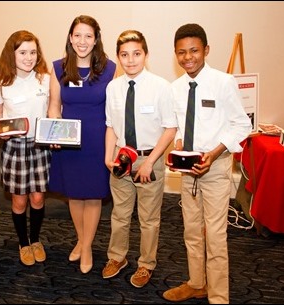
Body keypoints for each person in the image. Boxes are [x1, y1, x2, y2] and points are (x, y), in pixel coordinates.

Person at [162, 23, 252, 304]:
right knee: (191, 231)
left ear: (206, 50)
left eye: (194, 50)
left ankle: (219, 296)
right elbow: (177, 125)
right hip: (188, 170)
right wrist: (178, 143)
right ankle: (197, 283)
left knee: (215, 235)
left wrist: (213, 154)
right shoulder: (175, 88)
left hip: (215, 167)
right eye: (181, 52)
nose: (188, 57)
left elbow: (242, 125)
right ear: (175, 54)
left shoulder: (223, 82)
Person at [103, 30, 177, 288]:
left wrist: (149, 162)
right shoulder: (113, 87)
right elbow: (111, 126)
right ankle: (117, 257)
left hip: (150, 160)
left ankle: (146, 264)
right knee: (120, 215)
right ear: (118, 57)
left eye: (136, 54)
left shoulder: (161, 86)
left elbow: (170, 128)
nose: (130, 60)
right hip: (120, 158)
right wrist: (107, 156)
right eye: (124, 55)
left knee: (148, 218)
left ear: (146, 54)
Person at [47, 15, 116, 274]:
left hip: (98, 139)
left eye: (88, 36)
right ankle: (82, 239)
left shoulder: (110, 68)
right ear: (70, 38)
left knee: (94, 194)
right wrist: (55, 132)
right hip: (69, 140)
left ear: (96, 39)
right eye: (77, 35)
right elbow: (55, 105)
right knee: (74, 194)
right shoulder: (58, 68)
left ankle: (86, 247)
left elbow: (115, 108)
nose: (82, 41)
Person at [0, 30, 51, 266]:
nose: (28, 57)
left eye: (33, 52)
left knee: (37, 198)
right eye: (22, 52)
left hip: (40, 146)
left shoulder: (45, 78)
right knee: (19, 201)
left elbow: (54, 109)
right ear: (11, 54)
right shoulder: (0, 82)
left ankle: (35, 239)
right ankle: (23, 242)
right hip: (14, 147)